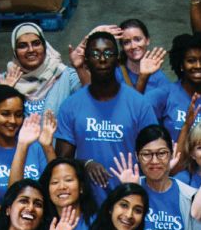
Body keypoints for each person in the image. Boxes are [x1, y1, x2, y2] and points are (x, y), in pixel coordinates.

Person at [60, 32, 164, 189]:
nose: (102, 59)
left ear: (117, 60)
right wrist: (85, 164)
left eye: (108, 54)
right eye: (95, 54)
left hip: (129, 195)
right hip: (87, 198)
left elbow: (153, 155)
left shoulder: (139, 104)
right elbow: (62, 160)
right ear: (86, 61)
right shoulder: (70, 105)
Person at [0, 21, 78, 119]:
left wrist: (81, 68)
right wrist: (4, 91)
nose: (31, 50)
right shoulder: (1, 81)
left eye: (36, 44)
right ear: (15, 51)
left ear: (45, 46)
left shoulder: (67, 76)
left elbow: (91, 100)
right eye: (22, 46)